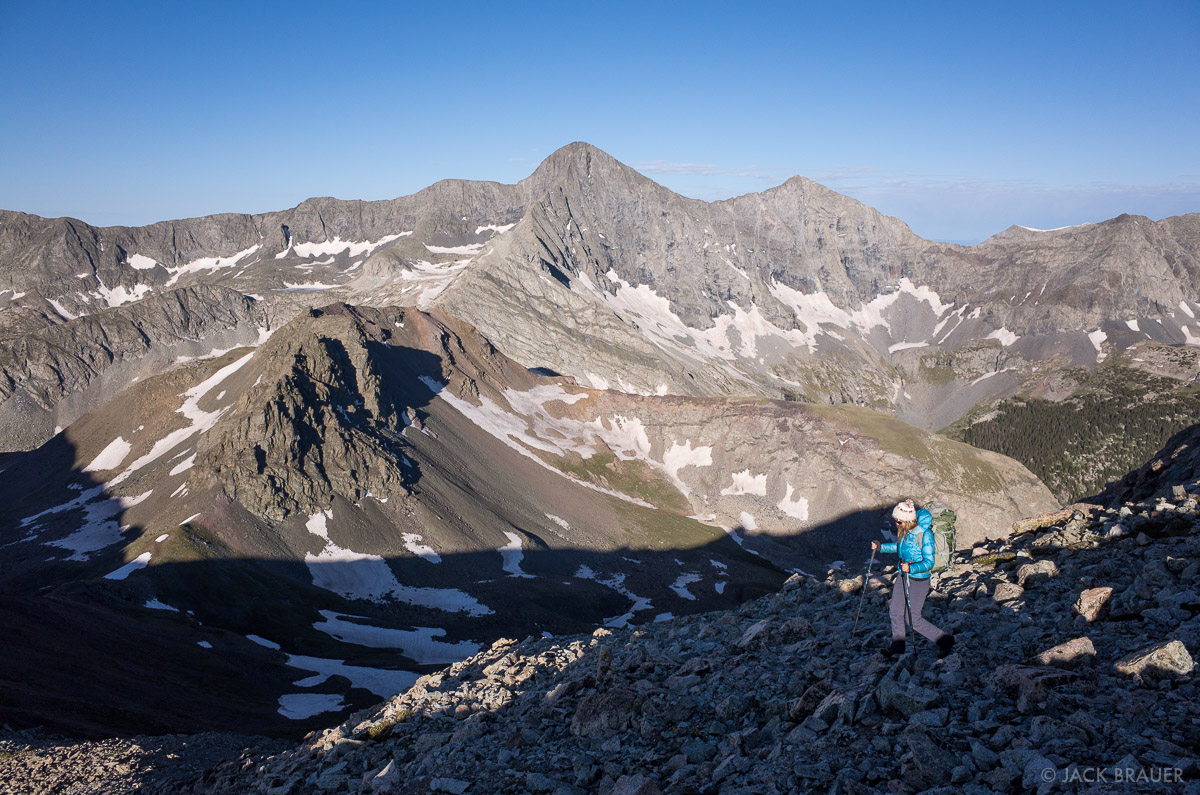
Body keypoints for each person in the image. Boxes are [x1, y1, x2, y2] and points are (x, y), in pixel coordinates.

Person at [871, 499, 956, 658]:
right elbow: (900, 547)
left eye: (898, 521)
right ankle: (897, 648)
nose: (896, 523)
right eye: (896, 520)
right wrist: (881, 547)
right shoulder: (906, 532)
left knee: (913, 620)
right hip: (904, 576)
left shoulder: (925, 534)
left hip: (919, 580)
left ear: (907, 520)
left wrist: (912, 568)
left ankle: (946, 640)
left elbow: (929, 562)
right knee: (895, 612)